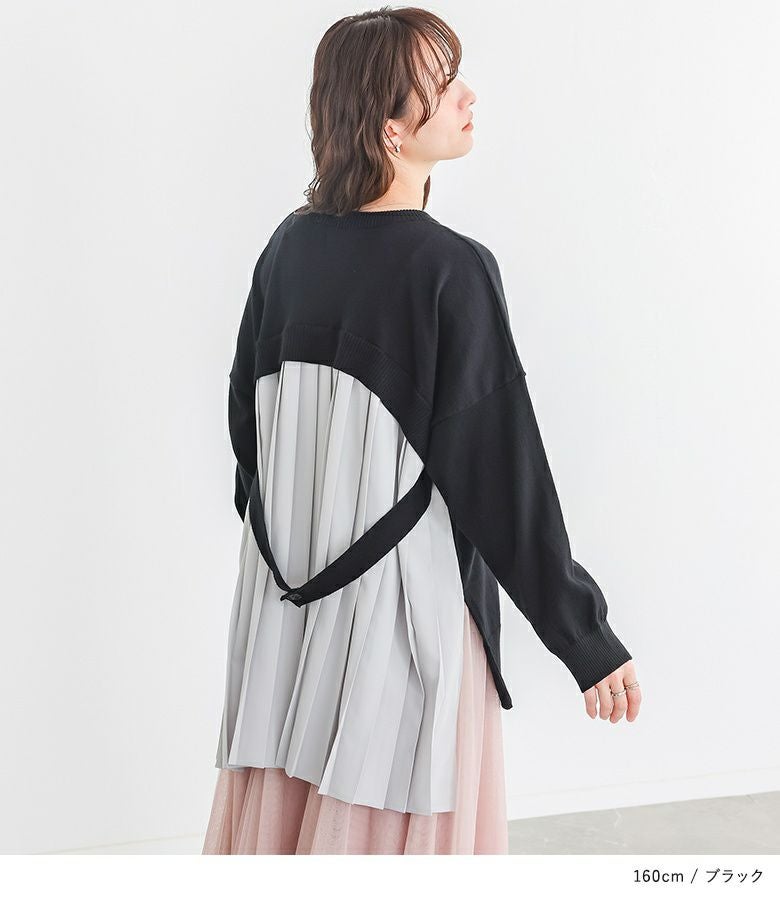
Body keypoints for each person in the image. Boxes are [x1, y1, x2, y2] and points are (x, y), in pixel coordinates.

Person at [202, 5, 641, 856]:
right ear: (391, 128)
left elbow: (247, 437)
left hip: (283, 621)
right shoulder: (448, 270)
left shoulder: (287, 250)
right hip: (400, 621)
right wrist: (586, 640)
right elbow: (502, 478)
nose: (469, 95)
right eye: (442, 86)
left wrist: (300, 552)